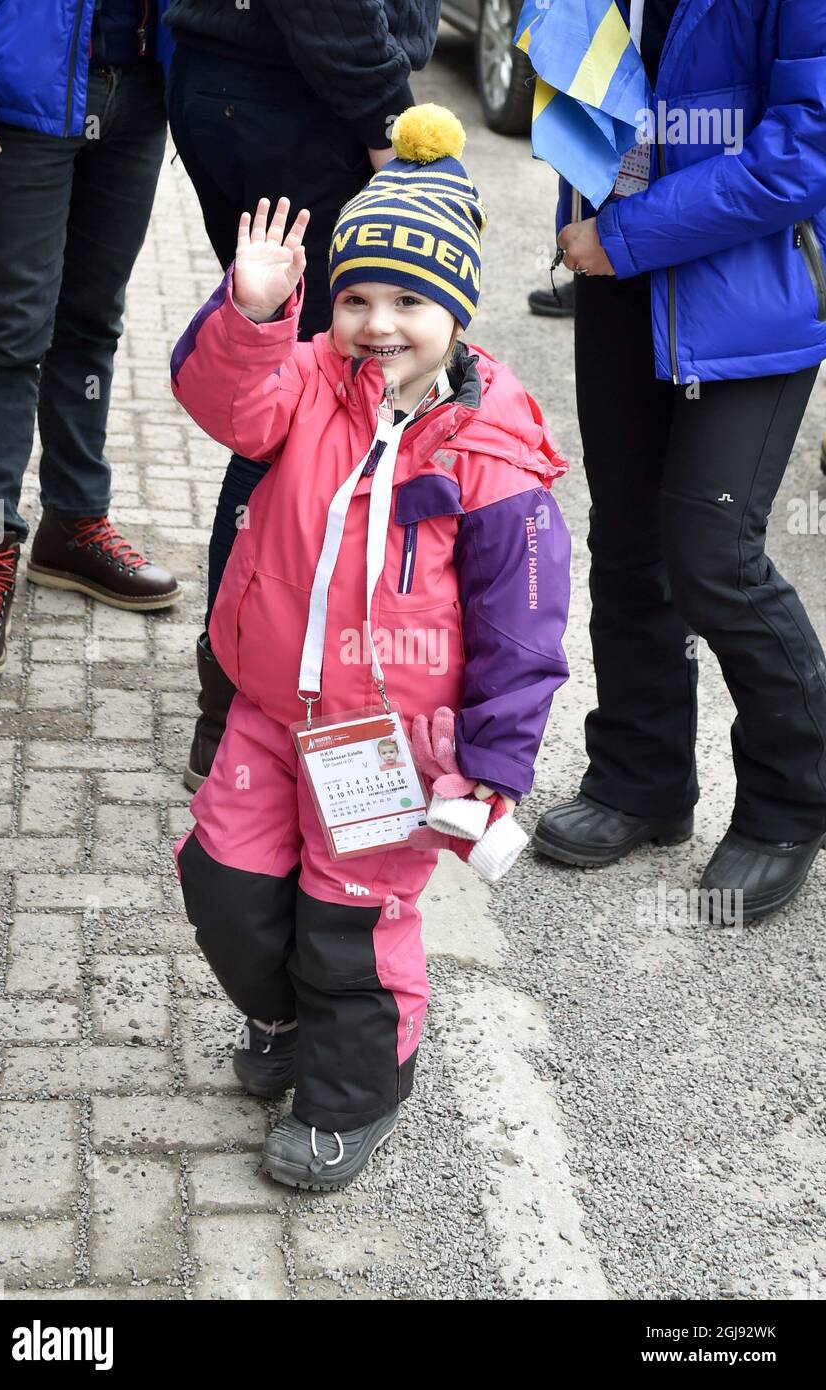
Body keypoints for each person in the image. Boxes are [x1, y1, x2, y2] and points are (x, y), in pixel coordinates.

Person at [170, 106, 571, 1189]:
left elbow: (525, 633)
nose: (379, 323)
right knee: (225, 881)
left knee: (352, 922)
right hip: (267, 708)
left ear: (458, 311)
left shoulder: (494, 453)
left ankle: (355, 1093)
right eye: (357, 297)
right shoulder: (304, 382)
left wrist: (491, 769)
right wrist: (254, 316)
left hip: (387, 747)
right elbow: (223, 401)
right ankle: (284, 1015)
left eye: (410, 300)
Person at [532, 0, 826, 924]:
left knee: (713, 553)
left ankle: (790, 805)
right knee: (626, 537)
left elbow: (805, 149)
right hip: (622, 282)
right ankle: (640, 778)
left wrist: (622, 236)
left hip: (753, 289)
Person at [163, 0, 443, 790]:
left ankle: (253, 690)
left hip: (261, 86)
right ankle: (236, 703)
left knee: (303, 385)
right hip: (304, 92)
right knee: (308, 403)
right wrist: (390, 121)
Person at [0, 0, 180, 680]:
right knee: (8, 335)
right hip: (17, 93)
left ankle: (73, 523)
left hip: (140, 88)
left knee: (91, 322)